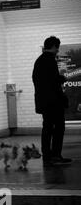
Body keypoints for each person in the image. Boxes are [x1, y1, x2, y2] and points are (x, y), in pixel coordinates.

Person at [32, 36, 71, 166]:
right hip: (53, 102)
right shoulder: (50, 60)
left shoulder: (39, 60)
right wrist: (62, 79)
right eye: (57, 48)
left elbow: (39, 80)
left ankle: (47, 156)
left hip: (44, 102)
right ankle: (56, 155)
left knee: (47, 128)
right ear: (54, 46)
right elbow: (53, 81)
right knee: (59, 128)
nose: (58, 51)